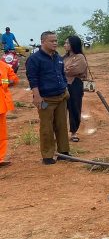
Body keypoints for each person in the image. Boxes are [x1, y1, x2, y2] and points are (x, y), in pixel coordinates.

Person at [25, 31, 69, 165]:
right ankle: (48, 156)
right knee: (47, 128)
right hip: (46, 99)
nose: (55, 43)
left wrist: (65, 89)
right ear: (43, 42)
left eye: (56, 40)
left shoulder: (58, 57)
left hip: (61, 97)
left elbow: (62, 74)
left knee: (62, 125)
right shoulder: (34, 59)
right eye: (52, 41)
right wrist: (37, 97)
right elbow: (32, 79)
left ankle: (64, 152)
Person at [63, 36, 88, 143]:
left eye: (67, 43)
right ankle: (61, 132)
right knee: (62, 109)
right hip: (64, 85)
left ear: (73, 44)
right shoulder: (63, 57)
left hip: (75, 85)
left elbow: (76, 70)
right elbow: (60, 69)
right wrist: (66, 69)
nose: (65, 45)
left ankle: (74, 132)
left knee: (75, 108)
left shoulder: (80, 57)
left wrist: (64, 69)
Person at [0, 54, 19, 166]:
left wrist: (4, 82)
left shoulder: (4, 66)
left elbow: (14, 79)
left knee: (2, 133)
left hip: (1, 104)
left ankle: (0, 159)